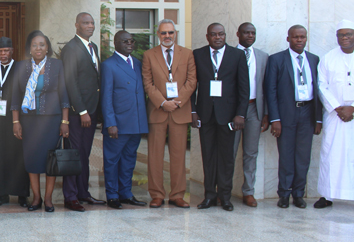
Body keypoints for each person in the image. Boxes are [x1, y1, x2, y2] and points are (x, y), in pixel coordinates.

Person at [192, 23, 250, 211]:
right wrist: (193, 111)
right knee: (208, 156)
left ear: (226, 36)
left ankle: (225, 197)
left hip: (229, 116)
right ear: (207, 36)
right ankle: (209, 195)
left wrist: (240, 114)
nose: (218, 38)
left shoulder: (237, 55)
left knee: (226, 158)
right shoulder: (198, 55)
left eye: (221, 34)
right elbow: (193, 86)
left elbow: (244, 88)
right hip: (206, 114)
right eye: (214, 35)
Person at [12, 30, 70, 212]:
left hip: (51, 121)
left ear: (47, 48)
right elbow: (15, 96)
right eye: (35, 45)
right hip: (29, 121)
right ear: (30, 49)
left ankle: (49, 198)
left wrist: (65, 122)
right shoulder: (21, 66)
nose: (38, 48)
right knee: (32, 160)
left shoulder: (57, 65)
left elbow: (64, 94)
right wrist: (16, 122)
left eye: (42, 45)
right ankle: (36, 198)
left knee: (50, 160)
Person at [265, 25, 322, 209]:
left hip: (307, 113)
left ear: (306, 38)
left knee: (303, 156)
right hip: (286, 113)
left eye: (302, 37)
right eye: (296, 37)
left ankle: (299, 194)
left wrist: (318, 119)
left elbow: (319, 91)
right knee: (286, 155)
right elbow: (270, 91)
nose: (299, 40)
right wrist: (275, 119)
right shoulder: (277, 59)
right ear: (288, 38)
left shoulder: (314, 59)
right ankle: (284, 194)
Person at [141, 19, 196, 208]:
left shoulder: (187, 54)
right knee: (155, 155)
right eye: (163, 33)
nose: (167, 36)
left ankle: (177, 194)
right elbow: (147, 83)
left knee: (179, 156)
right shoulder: (149, 55)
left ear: (175, 33)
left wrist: (177, 102)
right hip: (158, 111)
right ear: (158, 34)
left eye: (170, 33)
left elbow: (191, 81)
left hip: (179, 112)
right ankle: (156, 194)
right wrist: (163, 102)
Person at [316, 20, 354, 211]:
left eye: (348, 34)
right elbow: (321, 85)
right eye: (341, 35)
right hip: (335, 114)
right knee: (331, 154)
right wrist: (338, 108)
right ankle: (327, 195)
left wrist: (353, 107)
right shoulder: (328, 58)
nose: (344, 38)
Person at [60, 12, 106, 211]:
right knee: (74, 155)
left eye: (92, 23)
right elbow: (70, 81)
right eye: (86, 23)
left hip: (91, 111)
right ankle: (70, 197)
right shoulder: (71, 48)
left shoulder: (92, 47)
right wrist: (82, 111)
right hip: (78, 113)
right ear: (77, 25)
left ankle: (83, 193)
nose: (90, 26)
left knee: (85, 154)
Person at [100, 31, 148, 209]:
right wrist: (110, 123)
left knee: (129, 160)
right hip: (118, 123)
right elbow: (106, 97)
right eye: (125, 41)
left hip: (135, 122)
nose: (130, 44)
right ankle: (112, 195)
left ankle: (126, 193)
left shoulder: (137, 63)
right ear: (116, 43)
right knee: (112, 161)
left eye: (131, 41)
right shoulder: (109, 65)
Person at [0, 36, 29, 206]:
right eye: (0, 51)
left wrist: (23, 120)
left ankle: (21, 193)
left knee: (18, 156)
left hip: (16, 119)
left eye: (6, 51)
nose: (3, 54)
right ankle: (1, 194)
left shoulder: (22, 68)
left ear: (12, 51)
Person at [232, 22, 269, 208]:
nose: (250, 36)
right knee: (229, 152)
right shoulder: (229, 54)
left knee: (251, 153)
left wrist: (266, 114)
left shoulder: (263, 57)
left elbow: (268, 87)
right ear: (238, 34)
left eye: (253, 33)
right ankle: (224, 190)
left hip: (254, 108)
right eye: (246, 33)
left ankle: (248, 192)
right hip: (233, 111)